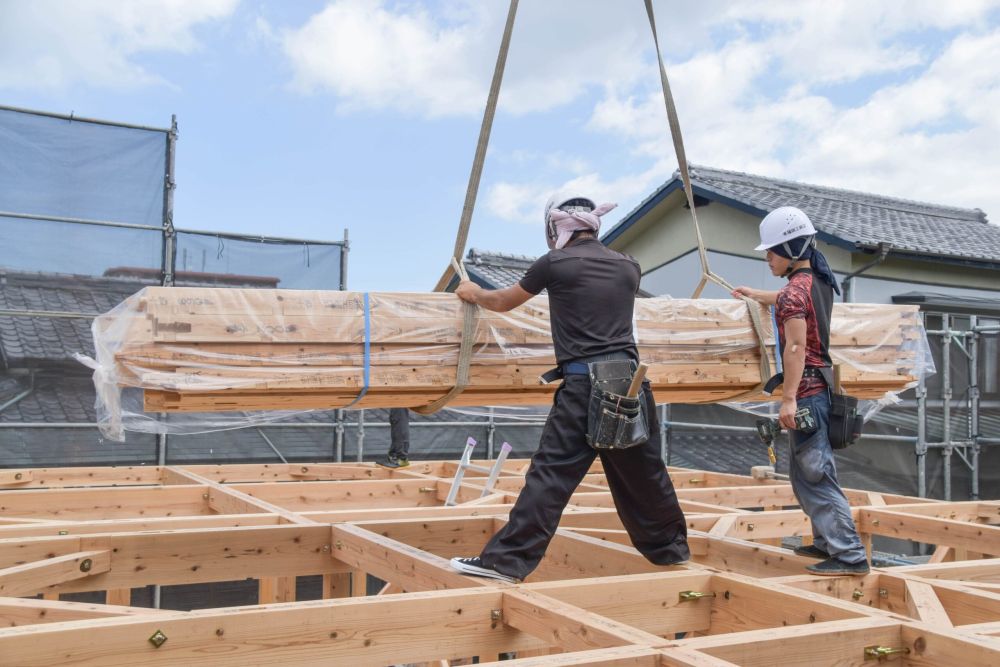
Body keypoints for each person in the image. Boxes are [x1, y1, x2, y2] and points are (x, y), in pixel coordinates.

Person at [448, 192, 690, 583]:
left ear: (553, 229)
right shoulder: (629, 265)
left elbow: (503, 301)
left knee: (551, 475)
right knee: (645, 472)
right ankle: (671, 551)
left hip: (585, 386)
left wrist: (471, 292)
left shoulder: (555, 264)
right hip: (631, 384)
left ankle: (506, 563)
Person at [732, 206, 869, 576]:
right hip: (822, 389)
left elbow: (794, 348)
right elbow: (789, 299)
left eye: (772, 252)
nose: (767, 258)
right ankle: (826, 542)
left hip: (807, 393)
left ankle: (850, 555)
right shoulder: (818, 282)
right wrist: (756, 294)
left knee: (815, 475)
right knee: (806, 473)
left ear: (792, 250)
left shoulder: (796, 291)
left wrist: (788, 398)